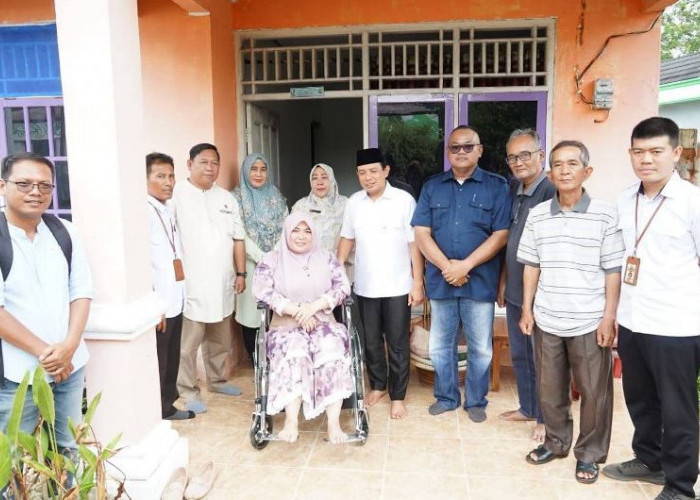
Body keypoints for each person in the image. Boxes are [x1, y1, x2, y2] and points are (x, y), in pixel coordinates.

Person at [602, 118, 700, 500]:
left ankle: (680, 485)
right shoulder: (625, 199)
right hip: (633, 319)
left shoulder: (692, 202)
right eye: (639, 152)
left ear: (676, 153)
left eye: (656, 151)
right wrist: (613, 315)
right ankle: (649, 459)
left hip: (676, 324)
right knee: (639, 399)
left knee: (678, 409)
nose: (646, 160)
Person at [518, 140, 623, 484]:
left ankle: (589, 454)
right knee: (550, 389)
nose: (564, 171)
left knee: (594, 393)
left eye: (572, 164)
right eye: (558, 165)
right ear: (549, 174)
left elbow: (613, 269)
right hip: (548, 317)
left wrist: (608, 316)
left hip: (589, 320)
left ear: (587, 171)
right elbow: (531, 265)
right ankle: (556, 441)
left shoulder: (605, 214)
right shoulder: (537, 215)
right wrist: (527, 309)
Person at [412, 125, 510, 423]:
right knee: (441, 345)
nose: (461, 152)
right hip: (442, 282)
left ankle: (476, 400)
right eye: (455, 147)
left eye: (468, 146)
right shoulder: (432, 186)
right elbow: (421, 233)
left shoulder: (497, 186)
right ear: (448, 152)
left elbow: (501, 234)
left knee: (480, 347)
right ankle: (446, 397)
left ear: (480, 150)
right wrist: (448, 268)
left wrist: (464, 266)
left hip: (479, 282)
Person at [0, 152, 92, 450]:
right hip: (17, 374)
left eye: (44, 185)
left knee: (69, 446)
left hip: (70, 366)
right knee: (14, 455)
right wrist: (48, 355)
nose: (35, 192)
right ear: (2, 186)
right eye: (24, 184)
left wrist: (69, 347)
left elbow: (81, 292)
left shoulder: (65, 232)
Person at [337, 147, 424, 420]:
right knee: (371, 340)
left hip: (398, 286)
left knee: (397, 343)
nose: (368, 177)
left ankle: (398, 396)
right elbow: (347, 238)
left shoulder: (404, 200)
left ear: (386, 171)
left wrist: (417, 282)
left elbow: (414, 244)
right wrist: (337, 270)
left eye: (373, 171)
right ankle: (378, 386)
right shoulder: (354, 203)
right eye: (362, 172)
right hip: (365, 285)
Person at [252, 212, 354, 443]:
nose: (301, 236)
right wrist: (299, 311)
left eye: (307, 231)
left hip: (323, 321)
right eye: (295, 230)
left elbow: (342, 286)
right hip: (285, 325)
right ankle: (291, 421)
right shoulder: (271, 260)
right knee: (295, 350)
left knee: (331, 348)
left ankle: (334, 424)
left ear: (313, 234)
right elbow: (262, 290)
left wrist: (314, 307)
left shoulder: (327, 258)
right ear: (287, 233)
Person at [172, 143, 246, 414]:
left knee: (220, 340)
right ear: (189, 164)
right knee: (187, 345)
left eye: (214, 163)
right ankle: (188, 391)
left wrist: (241, 272)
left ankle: (217, 380)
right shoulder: (176, 195)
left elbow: (238, 238)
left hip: (223, 281)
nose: (210, 168)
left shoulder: (226, 198)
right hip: (191, 283)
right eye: (203, 162)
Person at [497, 129, 556, 441]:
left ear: (540, 156)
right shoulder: (514, 190)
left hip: (541, 296)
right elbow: (511, 242)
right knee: (521, 355)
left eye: (525, 155)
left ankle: (546, 419)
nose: (518, 162)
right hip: (516, 291)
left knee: (542, 360)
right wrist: (504, 282)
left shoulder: (551, 192)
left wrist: (532, 302)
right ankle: (528, 407)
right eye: (512, 157)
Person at [146, 153, 193, 420]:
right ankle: (160, 410)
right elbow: (141, 263)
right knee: (160, 358)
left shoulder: (168, 208)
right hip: (160, 302)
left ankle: (168, 402)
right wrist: (154, 305)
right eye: (160, 176)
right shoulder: (144, 211)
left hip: (175, 296)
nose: (168, 182)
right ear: (145, 179)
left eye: (171, 176)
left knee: (172, 353)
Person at [233, 153, 287, 360]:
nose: (258, 174)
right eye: (253, 169)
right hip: (249, 263)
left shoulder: (277, 196)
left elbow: (286, 227)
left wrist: (272, 255)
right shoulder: (236, 198)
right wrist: (261, 257)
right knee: (252, 314)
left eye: (263, 170)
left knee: (278, 311)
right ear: (246, 171)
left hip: (277, 263)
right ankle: (257, 360)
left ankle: (276, 359)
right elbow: (238, 233)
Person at [290, 163, 347, 253]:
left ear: (332, 180)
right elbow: (289, 236)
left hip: (336, 260)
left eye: (324, 177)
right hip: (306, 260)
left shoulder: (345, 204)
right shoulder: (301, 206)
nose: (319, 182)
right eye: (315, 178)